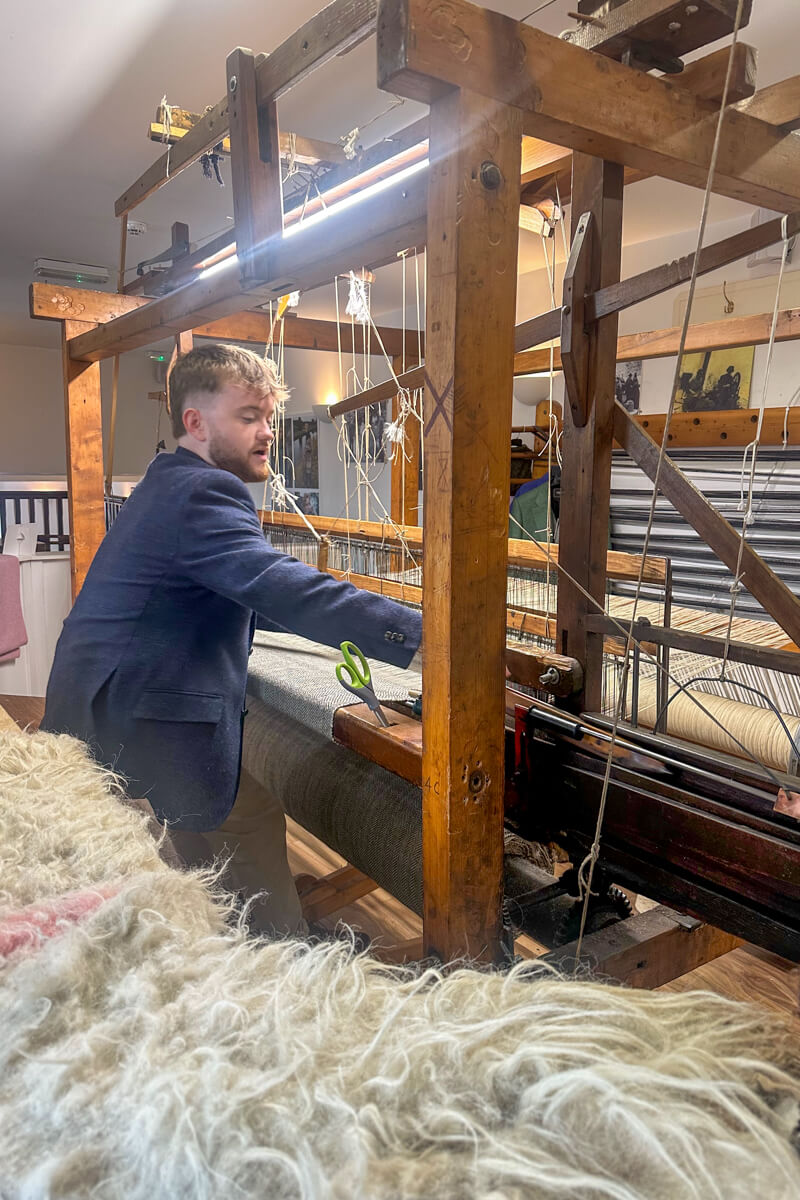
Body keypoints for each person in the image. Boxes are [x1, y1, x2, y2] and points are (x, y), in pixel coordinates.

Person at [42, 344, 421, 933]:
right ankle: (282, 961)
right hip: (145, 717)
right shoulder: (203, 491)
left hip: (116, 699)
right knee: (243, 825)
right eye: (248, 416)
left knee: (243, 817)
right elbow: (275, 583)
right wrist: (426, 638)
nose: (268, 432)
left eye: (268, 417)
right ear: (195, 422)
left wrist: (329, 624)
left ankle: (250, 926)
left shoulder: (169, 481)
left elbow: (224, 590)